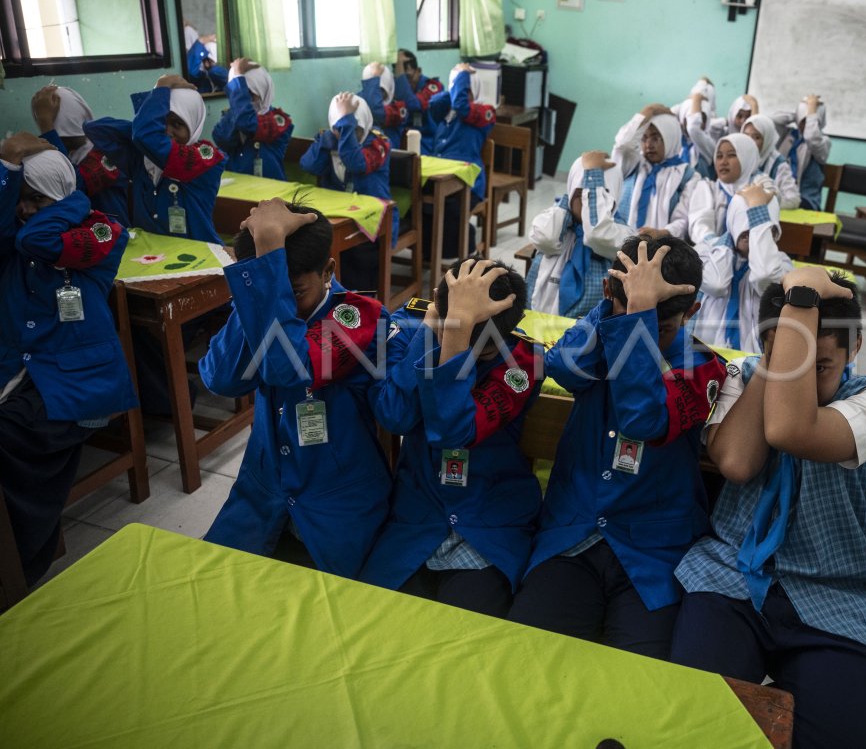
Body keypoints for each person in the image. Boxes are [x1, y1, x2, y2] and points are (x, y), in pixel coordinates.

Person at [672, 268, 866, 749]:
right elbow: (738, 462)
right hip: (729, 578)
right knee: (686, 725)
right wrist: (774, 359)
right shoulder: (743, 374)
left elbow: (790, 429)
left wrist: (797, 309)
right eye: (783, 355)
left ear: (855, 348)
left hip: (832, 594)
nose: (800, 373)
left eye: (819, 366)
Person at [508, 236, 727, 660]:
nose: (647, 332)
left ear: (692, 312)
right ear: (612, 294)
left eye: (661, 327)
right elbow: (561, 367)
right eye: (629, 313)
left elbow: (642, 419)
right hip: (573, 536)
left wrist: (637, 314)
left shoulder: (704, 368)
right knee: (526, 659)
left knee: (637, 680)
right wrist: (617, 307)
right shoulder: (604, 334)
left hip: (651, 555)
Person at [199, 198, 393, 579]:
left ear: (328, 272)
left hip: (336, 503)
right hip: (263, 496)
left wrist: (269, 274)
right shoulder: (268, 300)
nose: (284, 306)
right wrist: (255, 288)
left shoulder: (358, 318)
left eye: (294, 294)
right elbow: (220, 378)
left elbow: (288, 366)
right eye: (277, 294)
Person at [360, 258, 542, 617]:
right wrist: (432, 332)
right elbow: (394, 415)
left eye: (483, 350)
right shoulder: (408, 328)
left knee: (461, 643)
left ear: (514, 325)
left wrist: (454, 337)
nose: (469, 358)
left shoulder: (523, 361)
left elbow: (452, 431)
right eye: (454, 337)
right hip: (416, 520)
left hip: (487, 526)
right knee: (372, 626)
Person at [0, 136, 136, 586]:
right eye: (20, 201)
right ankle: (19, 555)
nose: (24, 211)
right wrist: (9, 170)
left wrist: (70, 196)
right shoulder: (12, 238)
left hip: (79, 386)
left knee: (10, 444)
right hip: (26, 376)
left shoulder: (103, 231)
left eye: (34, 199)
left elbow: (38, 237)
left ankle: (20, 565)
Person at [83, 75, 227, 243]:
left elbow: (146, 136)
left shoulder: (207, 158)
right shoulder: (141, 158)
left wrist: (161, 88)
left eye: (177, 124)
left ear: (193, 125)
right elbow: (95, 130)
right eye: (161, 121)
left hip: (200, 255)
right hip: (152, 255)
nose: (166, 131)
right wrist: (145, 119)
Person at [691, 135, 791, 353]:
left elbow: (764, 276)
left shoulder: (780, 264)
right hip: (705, 353)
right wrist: (726, 240)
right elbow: (717, 283)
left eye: (756, 226)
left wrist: (758, 214)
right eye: (741, 223)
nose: (748, 232)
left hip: (752, 359)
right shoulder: (707, 254)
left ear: (771, 231)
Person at [300, 92, 391, 293]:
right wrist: (327, 139)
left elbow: (356, 163)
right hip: (338, 217)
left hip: (373, 221)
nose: (348, 135)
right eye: (339, 129)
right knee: (314, 245)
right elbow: (308, 165)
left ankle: (360, 297)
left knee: (359, 253)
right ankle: (329, 294)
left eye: (354, 129)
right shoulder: (331, 140)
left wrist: (345, 124)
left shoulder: (379, 143)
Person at [526, 152, 628, 318]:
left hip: (588, 333)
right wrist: (569, 198)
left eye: (598, 196)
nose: (587, 204)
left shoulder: (620, 232)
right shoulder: (558, 221)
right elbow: (544, 238)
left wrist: (592, 179)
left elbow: (597, 233)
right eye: (580, 194)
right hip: (540, 320)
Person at [422, 63, 496, 259]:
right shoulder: (446, 109)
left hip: (469, 184)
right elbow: (434, 104)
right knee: (420, 203)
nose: (462, 95)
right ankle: (429, 255)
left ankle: (466, 253)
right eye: (460, 90)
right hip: (440, 177)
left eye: (466, 90)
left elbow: (463, 107)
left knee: (452, 208)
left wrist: (462, 75)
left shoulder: (486, 112)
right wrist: (455, 80)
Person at [30, 85, 131, 227]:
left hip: (116, 238)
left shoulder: (105, 153)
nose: (58, 141)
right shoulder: (73, 153)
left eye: (61, 136)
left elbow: (68, 183)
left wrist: (46, 125)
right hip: (87, 238)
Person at [611, 104, 699, 241]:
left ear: (671, 137)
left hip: (661, 250)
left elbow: (683, 219)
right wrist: (648, 111)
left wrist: (662, 234)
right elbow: (622, 144)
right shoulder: (633, 164)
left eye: (655, 138)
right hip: (622, 246)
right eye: (644, 138)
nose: (648, 145)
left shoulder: (687, 175)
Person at [212, 58, 293, 180]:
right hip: (238, 185)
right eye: (242, 94)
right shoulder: (235, 114)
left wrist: (238, 79)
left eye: (250, 93)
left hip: (272, 188)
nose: (246, 100)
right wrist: (235, 109)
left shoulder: (279, 120)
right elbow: (222, 139)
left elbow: (248, 124)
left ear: (263, 90)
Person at [772, 95, 831, 211]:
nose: (807, 125)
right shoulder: (787, 134)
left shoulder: (822, 142)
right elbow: (771, 121)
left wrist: (811, 110)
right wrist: (796, 115)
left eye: (813, 121)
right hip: (781, 193)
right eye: (803, 121)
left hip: (806, 199)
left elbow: (811, 135)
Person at [742, 114, 800, 210]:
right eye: (745, 135)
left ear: (767, 140)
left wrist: (766, 201)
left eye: (756, 137)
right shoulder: (737, 158)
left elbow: (793, 200)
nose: (749, 141)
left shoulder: (778, 164)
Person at [395, 48, 445, 147]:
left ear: (418, 71)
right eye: (402, 79)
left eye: (408, 78)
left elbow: (413, 105)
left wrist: (400, 69)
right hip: (403, 140)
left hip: (428, 142)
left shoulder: (433, 86)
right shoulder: (396, 86)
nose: (406, 84)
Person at [358, 61, 409, 151]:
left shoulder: (399, 108)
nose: (379, 95)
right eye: (375, 90)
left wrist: (373, 80)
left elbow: (377, 112)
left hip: (393, 157)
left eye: (381, 90)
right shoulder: (358, 101)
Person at [183, 23, 228, 93]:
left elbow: (216, 72)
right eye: (204, 60)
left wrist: (200, 42)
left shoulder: (218, 73)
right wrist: (200, 42)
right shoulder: (203, 77)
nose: (206, 64)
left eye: (209, 61)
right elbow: (191, 70)